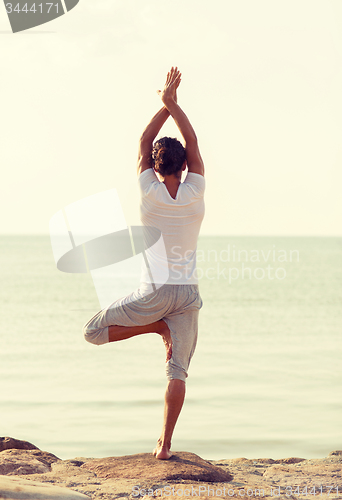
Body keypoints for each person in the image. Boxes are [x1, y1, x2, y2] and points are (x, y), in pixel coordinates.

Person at [83, 67, 205, 460]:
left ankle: (156, 328)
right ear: (184, 168)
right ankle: (165, 445)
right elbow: (193, 140)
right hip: (187, 294)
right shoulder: (195, 190)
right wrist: (174, 105)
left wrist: (163, 106)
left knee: (92, 331)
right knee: (178, 371)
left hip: (153, 293)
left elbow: (144, 140)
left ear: (155, 166)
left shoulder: (147, 190)